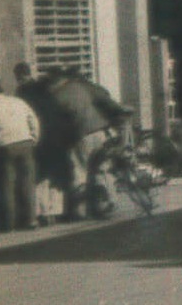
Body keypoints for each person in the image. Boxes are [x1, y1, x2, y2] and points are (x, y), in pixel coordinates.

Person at [50, 71, 129, 218]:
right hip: (100, 132)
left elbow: (57, 122)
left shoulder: (58, 95)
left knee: (81, 171)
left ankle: (81, 211)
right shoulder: (82, 88)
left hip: (82, 136)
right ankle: (109, 201)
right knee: (102, 168)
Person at [15, 62, 74, 226]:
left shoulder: (22, 93)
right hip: (55, 136)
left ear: (18, 76)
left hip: (40, 137)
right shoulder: (45, 90)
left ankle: (42, 213)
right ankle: (54, 212)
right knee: (54, 176)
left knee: (39, 176)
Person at [0, 79, 40, 232]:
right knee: (28, 182)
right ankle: (31, 219)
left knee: (7, 185)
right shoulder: (18, 101)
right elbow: (33, 119)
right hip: (25, 143)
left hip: (5, 147)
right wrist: (34, 137)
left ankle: (9, 223)